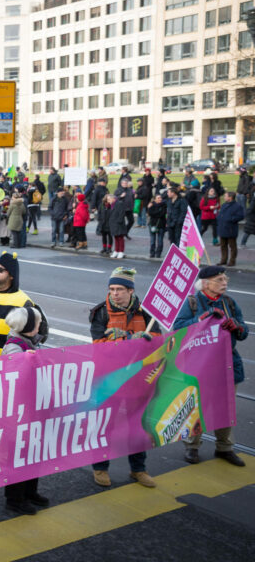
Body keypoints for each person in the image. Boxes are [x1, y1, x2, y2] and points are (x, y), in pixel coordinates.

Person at [88, 267, 160, 488]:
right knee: (105, 424)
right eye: (111, 289)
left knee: (137, 424)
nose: (114, 293)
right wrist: (131, 339)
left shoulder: (147, 313)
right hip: (109, 378)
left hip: (137, 379)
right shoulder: (100, 312)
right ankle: (100, 467)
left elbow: (157, 340)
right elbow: (100, 346)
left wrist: (145, 339)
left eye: (119, 289)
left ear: (130, 290)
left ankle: (138, 469)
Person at [173, 265, 248, 467]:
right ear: (206, 284)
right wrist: (199, 320)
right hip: (201, 365)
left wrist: (236, 326)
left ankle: (225, 448)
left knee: (226, 408)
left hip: (227, 365)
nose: (225, 283)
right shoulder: (193, 302)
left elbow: (243, 332)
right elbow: (178, 328)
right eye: (220, 280)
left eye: (225, 280)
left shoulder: (229, 303)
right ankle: (192, 447)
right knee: (198, 408)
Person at [0, 306, 51, 515]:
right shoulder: (14, 347)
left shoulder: (28, 342)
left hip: (32, 408)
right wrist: (29, 364)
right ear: (29, 326)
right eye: (37, 322)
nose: (39, 325)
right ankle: (14, 499)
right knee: (19, 455)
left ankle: (30, 491)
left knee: (33, 452)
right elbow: (12, 380)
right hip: (19, 412)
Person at [215, 192, 244, 266]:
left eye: (225, 196)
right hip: (222, 228)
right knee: (223, 245)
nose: (224, 197)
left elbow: (241, 216)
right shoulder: (224, 205)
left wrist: (231, 219)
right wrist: (218, 218)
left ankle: (232, 261)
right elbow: (220, 214)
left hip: (231, 229)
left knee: (232, 246)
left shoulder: (237, 206)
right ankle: (223, 260)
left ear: (230, 197)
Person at [146, 193, 167, 258]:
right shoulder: (151, 205)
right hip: (152, 224)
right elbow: (150, 213)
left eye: (160, 198)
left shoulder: (164, 205)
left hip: (161, 225)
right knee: (152, 240)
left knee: (160, 240)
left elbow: (162, 214)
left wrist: (156, 213)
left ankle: (158, 253)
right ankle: (152, 253)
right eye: (158, 198)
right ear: (155, 199)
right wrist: (158, 212)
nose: (160, 199)